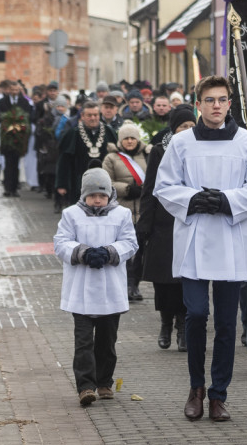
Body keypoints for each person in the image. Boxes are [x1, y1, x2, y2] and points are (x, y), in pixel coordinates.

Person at [153, 75, 247, 422]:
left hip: (231, 240)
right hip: (194, 238)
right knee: (195, 315)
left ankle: (219, 394)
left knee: (225, 322)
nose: (216, 106)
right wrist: (194, 199)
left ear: (230, 104)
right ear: (199, 104)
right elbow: (164, 187)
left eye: (222, 99)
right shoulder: (182, 143)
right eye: (209, 100)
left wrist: (226, 201)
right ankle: (195, 388)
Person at [53, 166, 138, 406]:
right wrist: (83, 253)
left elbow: (130, 243)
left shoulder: (121, 215)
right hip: (81, 290)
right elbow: (61, 243)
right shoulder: (71, 214)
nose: (97, 200)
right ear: (84, 195)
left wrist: (110, 252)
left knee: (106, 342)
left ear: (109, 194)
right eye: (92, 196)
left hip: (110, 290)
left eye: (102, 195)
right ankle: (85, 386)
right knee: (83, 342)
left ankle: (104, 382)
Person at [138, 105, 196, 352]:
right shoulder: (161, 151)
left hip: (190, 221)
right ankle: (165, 322)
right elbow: (149, 189)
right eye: (183, 127)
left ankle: (183, 326)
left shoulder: (200, 151)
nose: (188, 131)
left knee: (186, 278)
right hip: (164, 223)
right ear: (174, 128)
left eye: (192, 126)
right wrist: (145, 224)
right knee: (163, 280)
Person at [103, 121, 150, 301]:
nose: (130, 141)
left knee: (139, 252)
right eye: (126, 138)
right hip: (122, 210)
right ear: (121, 141)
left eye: (132, 138)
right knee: (123, 251)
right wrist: (127, 189)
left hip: (143, 210)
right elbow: (106, 182)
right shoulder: (111, 158)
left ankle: (134, 285)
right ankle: (122, 285)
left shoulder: (147, 155)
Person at [56, 101, 118, 207]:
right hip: (78, 184)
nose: (93, 118)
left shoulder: (109, 132)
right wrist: (62, 184)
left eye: (95, 115)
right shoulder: (73, 133)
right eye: (89, 115)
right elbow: (64, 161)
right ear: (82, 116)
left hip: (105, 183)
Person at [0, 80, 33, 197]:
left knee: (16, 163)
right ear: (9, 90)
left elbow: (29, 116)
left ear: (19, 90)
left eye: (16, 90)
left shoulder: (24, 102)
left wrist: (21, 126)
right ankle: (7, 188)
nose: (14, 92)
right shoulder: (2, 101)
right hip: (6, 136)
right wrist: (7, 124)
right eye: (12, 90)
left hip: (19, 138)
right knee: (7, 163)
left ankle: (14, 188)